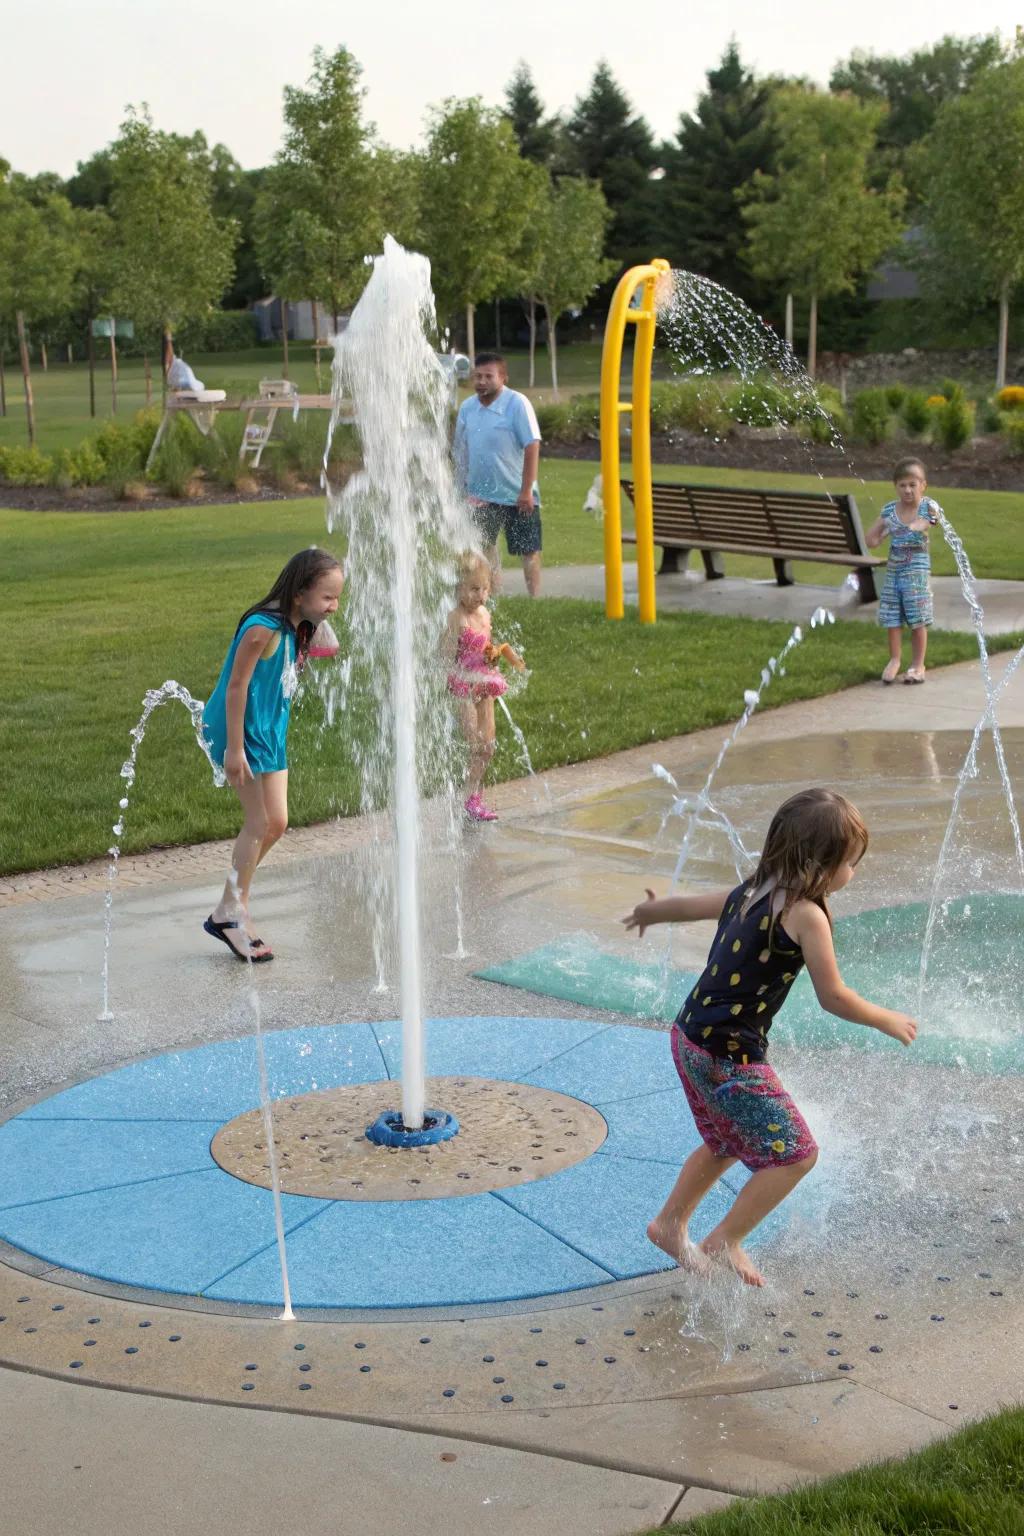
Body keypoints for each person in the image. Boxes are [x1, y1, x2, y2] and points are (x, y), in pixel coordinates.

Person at [622, 788, 917, 1287]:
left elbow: (696, 906)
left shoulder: (754, 889)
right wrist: (885, 1019)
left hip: (689, 1038)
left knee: (724, 1140)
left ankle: (669, 1225)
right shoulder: (806, 915)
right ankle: (726, 1240)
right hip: (728, 1057)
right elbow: (834, 996)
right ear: (819, 866)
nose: (853, 872)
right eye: (850, 863)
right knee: (797, 1155)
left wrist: (655, 911)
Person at [202, 548, 344, 961]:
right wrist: (234, 749)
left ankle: (231, 904)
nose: (334, 607)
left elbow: (322, 650)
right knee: (258, 821)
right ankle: (231, 913)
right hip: (240, 729)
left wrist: (318, 620)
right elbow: (236, 686)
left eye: (337, 598)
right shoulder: (261, 629)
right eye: (327, 598)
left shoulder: (297, 626)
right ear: (298, 594)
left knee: (277, 822)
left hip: (268, 729)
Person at [453, 353, 543, 596]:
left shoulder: (517, 403)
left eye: (488, 376)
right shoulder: (468, 407)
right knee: (484, 548)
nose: (481, 381)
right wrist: (459, 489)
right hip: (480, 494)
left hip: (518, 494)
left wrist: (526, 490)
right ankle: (492, 596)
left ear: (503, 378)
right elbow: (460, 451)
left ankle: (535, 598)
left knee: (528, 549)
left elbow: (532, 445)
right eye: (478, 376)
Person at [444, 553, 524, 822]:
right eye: (474, 589)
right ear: (459, 587)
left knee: (488, 746)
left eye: (485, 589)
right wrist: (457, 676)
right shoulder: (456, 618)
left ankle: (473, 797)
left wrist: (495, 655)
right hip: (464, 688)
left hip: (485, 684)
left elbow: (485, 646)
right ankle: (468, 797)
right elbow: (444, 658)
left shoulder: (485, 614)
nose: (480, 595)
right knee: (475, 744)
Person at [866, 457, 939, 686]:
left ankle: (918, 665)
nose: (908, 490)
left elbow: (930, 520)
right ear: (895, 486)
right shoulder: (890, 510)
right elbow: (871, 540)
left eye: (912, 485)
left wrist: (916, 525)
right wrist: (880, 533)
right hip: (894, 571)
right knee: (892, 616)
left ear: (923, 485)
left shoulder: (927, 506)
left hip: (916, 573)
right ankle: (895, 660)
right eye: (903, 485)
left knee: (918, 618)